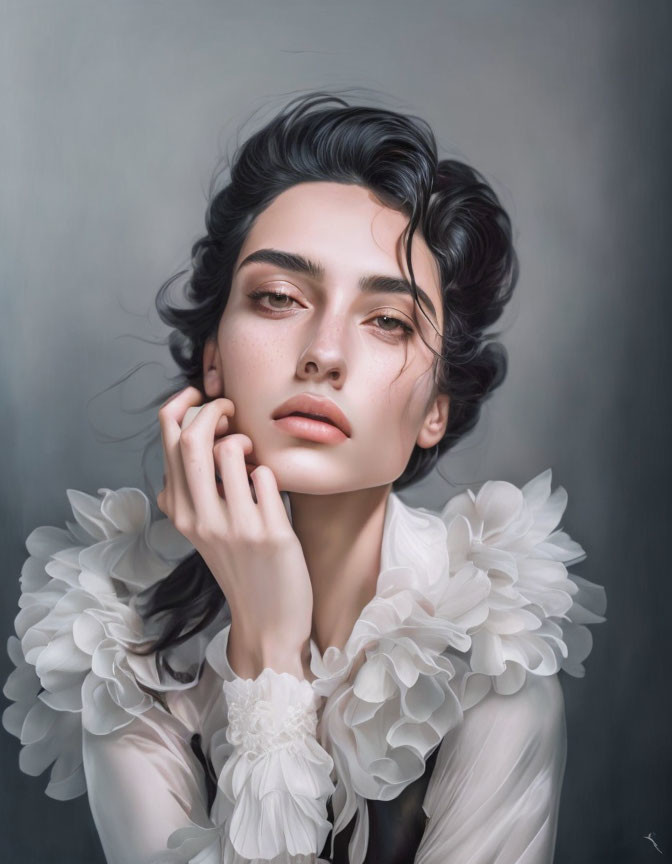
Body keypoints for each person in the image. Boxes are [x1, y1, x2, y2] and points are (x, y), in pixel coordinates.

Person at [2, 92, 607, 864]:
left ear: (436, 409)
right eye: (279, 297)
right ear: (213, 356)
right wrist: (265, 646)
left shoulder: (492, 671)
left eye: (388, 319)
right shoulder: (121, 656)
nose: (324, 351)